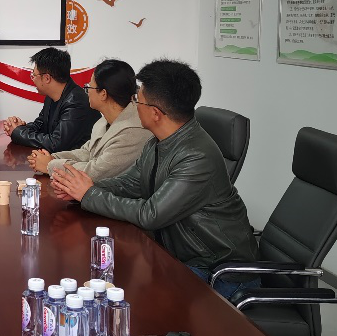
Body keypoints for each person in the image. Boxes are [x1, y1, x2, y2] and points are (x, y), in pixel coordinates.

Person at [49, 59, 258, 297]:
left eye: (138, 100)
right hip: (178, 254)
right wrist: (81, 190)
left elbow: (151, 214)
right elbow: (130, 183)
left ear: (155, 113)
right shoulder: (158, 142)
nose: (133, 105)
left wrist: (89, 194)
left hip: (218, 272)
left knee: (126, 298)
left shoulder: (197, 157)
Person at [28, 58, 150, 181]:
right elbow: (87, 152)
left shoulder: (133, 132)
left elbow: (95, 173)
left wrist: (50, 165)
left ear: (103, 94)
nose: (87, 92)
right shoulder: (104, 121)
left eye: (89, 87)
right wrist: (52, 158)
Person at [1, 47, 96, 152]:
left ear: (47, 78)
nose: (33, 79)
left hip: (78, 159)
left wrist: (18, 132)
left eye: (34, 75)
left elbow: (56, 143)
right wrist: (18, 127)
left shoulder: (76, 101)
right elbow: (40, 125)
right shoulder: (51, 96)